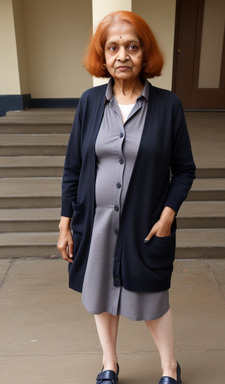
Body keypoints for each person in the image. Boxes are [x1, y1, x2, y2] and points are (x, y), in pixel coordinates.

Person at [57, 10, 195, 384]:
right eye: (113, 47)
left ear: (144, 54)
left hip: (146, 223)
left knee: (153, 299)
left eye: (132, 47)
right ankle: (109, 363)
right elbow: (73, 167)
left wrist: (167, 216)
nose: (122, 56)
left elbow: (184, 170)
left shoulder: (168, 106)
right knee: (100, 295)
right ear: (102, 57)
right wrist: (66, 222)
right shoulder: (89, 103)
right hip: (96, 221)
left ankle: (169, 367)